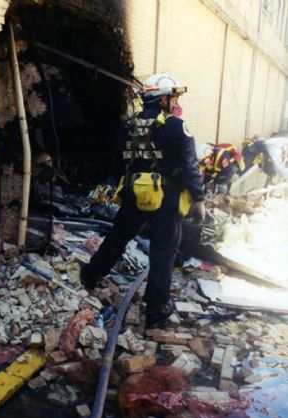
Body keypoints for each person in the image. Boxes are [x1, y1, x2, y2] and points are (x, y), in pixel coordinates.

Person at [80, 74, 205, 329]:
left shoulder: (128, 126)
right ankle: (156, 310)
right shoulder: (177, 127)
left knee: (117, 238)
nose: (176, 102)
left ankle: (89, 276)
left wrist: (119, 186)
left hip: (133, 194)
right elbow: (190, 167)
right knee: (163, 254)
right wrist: (199, 199)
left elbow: (117, 162)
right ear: (162, 100)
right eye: (173, 98)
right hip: (167, 200)